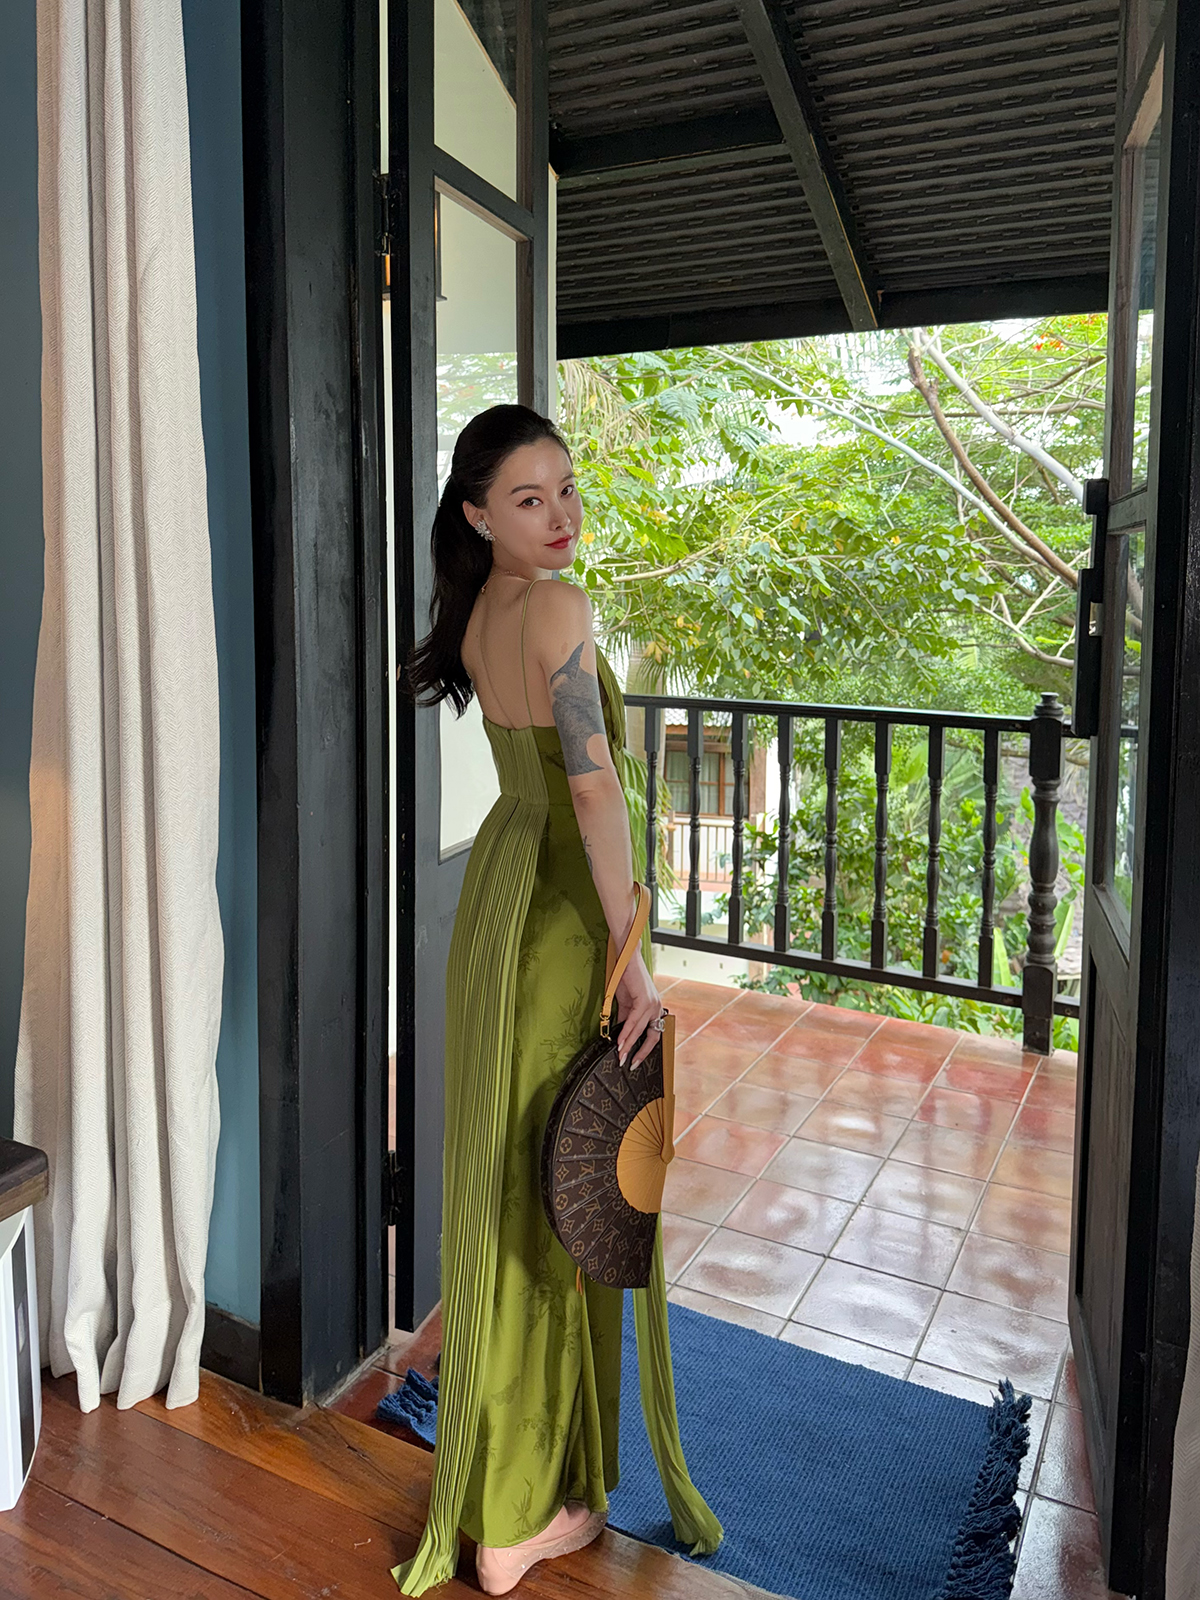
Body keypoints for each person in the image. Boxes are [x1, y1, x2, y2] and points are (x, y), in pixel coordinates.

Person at [395, 405, 722, 1596]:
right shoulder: (558, 609)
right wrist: (631, 953)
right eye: (530, 498)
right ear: (479, 513)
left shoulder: (482, 608)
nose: (562, 515)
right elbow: (592, 791)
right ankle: (518, 1517)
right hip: (561, 912)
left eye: (567, 489)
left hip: (498, 896)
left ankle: (493, 1430)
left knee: (513, 1162)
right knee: (561, 1183)